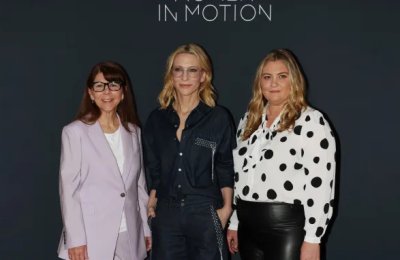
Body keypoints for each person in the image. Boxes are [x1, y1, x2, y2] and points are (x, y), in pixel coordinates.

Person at [227, 49, 336, 260]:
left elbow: (320, 184)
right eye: (267, 77)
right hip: (247, 227)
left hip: (286, 229)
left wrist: (313, 239)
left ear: (293, 80)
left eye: (281, 76)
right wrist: (234, 221)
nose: (273, 83)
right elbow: (239, 176)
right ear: (260, 83)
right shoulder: (249, 120)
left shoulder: (311, 121)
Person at [143, 43, 235, 260]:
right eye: (178, 70)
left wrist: (227, 208)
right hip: (166, 212)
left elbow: (225, 164)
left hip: (204, 210)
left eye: (192, 70)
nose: (185, 77)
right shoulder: (157, 119)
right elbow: (154, 166)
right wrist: (153, 199)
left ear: (203, 75)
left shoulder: (218, 118)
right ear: (171, 75)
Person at [57, 61, 151, 260]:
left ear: (123, 92)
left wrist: (146, 229)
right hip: (91, 237)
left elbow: (140, 186)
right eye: (99, 86)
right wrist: (75, 239)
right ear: (91, 93)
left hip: (130, 234)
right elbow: (68, 190)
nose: (107, 92)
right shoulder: (75, 132)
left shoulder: (134, 132)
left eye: (113, 84)